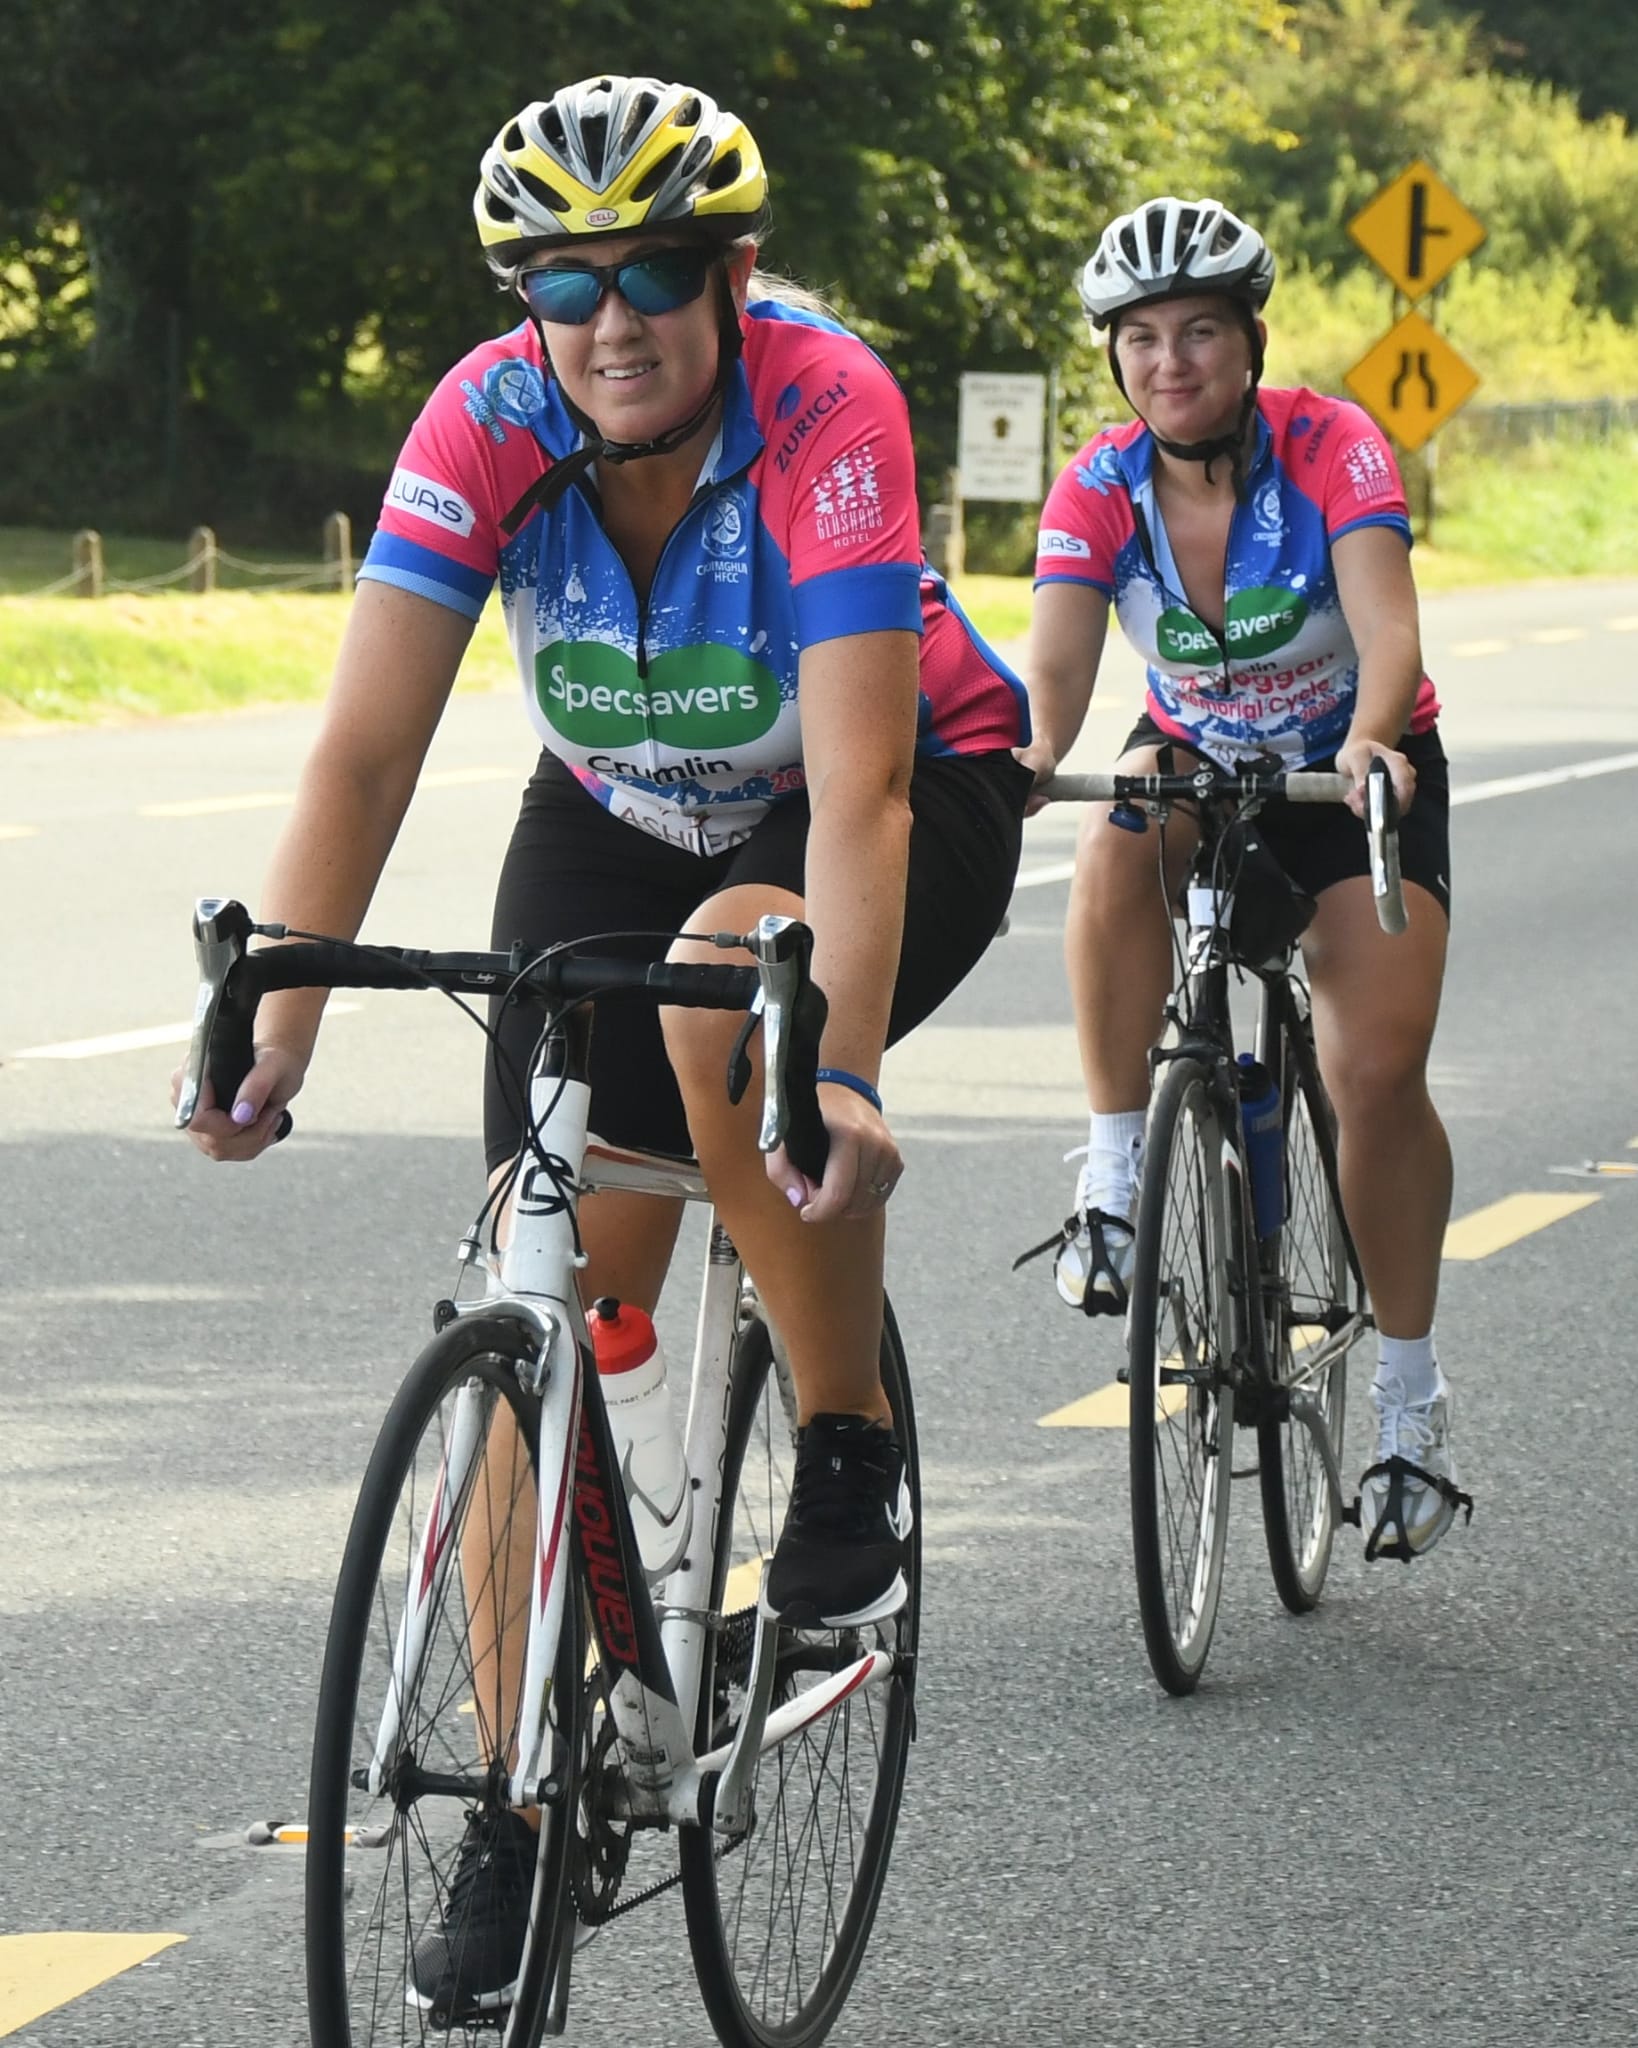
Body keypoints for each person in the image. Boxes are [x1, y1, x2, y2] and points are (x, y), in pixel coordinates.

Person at [176, 74, 1030, 2015]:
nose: (610, 318)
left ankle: (842, 1445)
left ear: (733, 272)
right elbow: (365, 754)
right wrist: (273, 1026)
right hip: (618, 798)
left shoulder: (825, 404)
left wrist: (837, 1066)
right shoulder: (486, 418)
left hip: (885, 786)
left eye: (652, 272)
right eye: (563, 283)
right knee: (537, 1290)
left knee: (742, 987)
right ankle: (527, 1792)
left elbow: (863, 790)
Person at [1017, 195, 1467, 1565]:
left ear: (1249, 341)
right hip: (1199, 763)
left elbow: (1386, 625)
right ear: (1115, 356)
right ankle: (1113, 1178)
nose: (1171, 362)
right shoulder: (1099, 486)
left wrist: (1372, 741)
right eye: (1143, 338)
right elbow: (1056, 669)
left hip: (1349, 774)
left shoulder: (1331, 445)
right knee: (1114, 838)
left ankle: (1407, 1406)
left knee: (1371, 1075)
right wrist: (1030, 754)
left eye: (1200, 331)